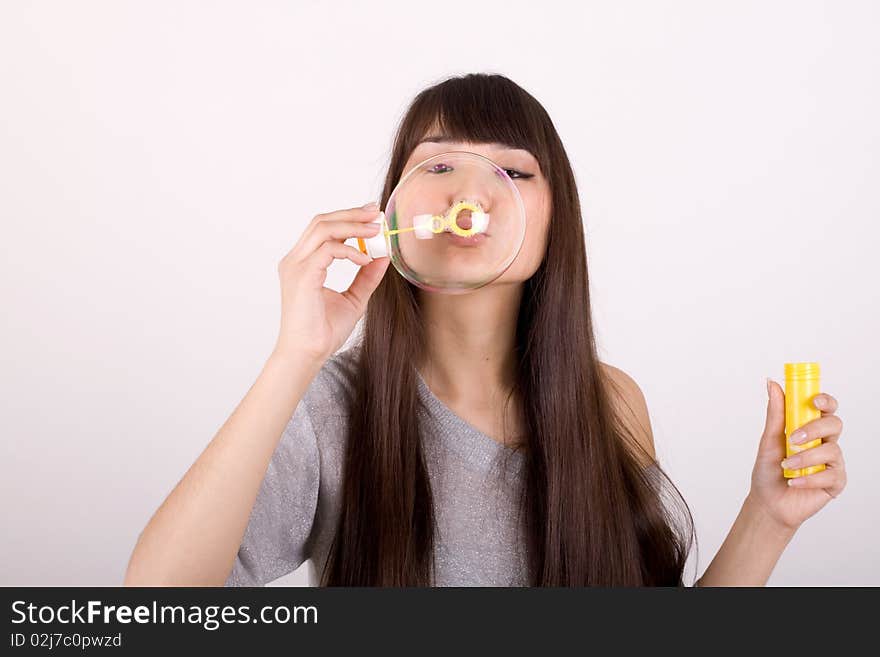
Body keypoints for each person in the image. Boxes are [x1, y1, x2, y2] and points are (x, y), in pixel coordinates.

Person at [124, 73, 847, 587]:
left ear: (554, 219)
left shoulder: (612, 403)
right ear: (395, 214)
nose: (473, 193)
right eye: (439, 164)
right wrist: (294, 353)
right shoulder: (332, 410)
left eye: (512, 170)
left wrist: (770, 516)